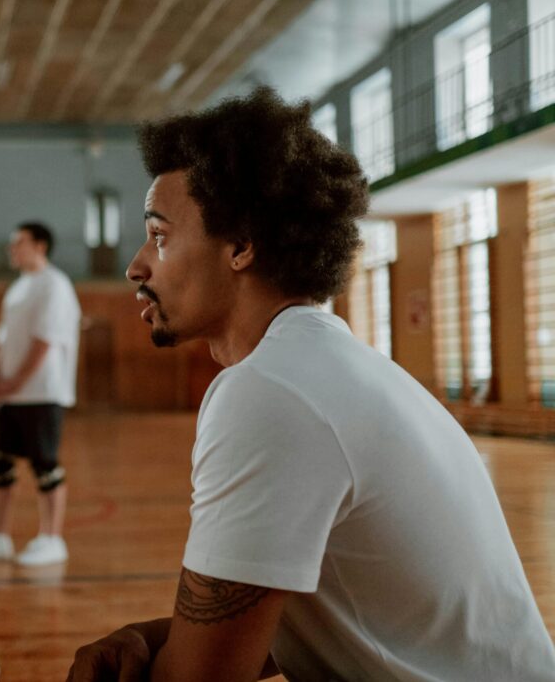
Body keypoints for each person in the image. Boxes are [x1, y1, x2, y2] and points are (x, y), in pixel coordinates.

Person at [66, 87, 555, 681]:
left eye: (160, 235)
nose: (137, 265)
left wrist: (175, 657)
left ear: (241, 246)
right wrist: (152, 638)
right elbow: (339, 616)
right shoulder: (328, 364)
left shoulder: (269, 392)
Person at [0, 222, 81, 567]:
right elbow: (3, 340)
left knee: (45, 466)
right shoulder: (18, 287)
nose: (12, 249)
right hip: (12, 395)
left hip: (41, 393)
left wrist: (16, 381)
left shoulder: (55, 285)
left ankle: (52, 538)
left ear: (40, 246)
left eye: (18, 242)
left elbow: (44, 341)